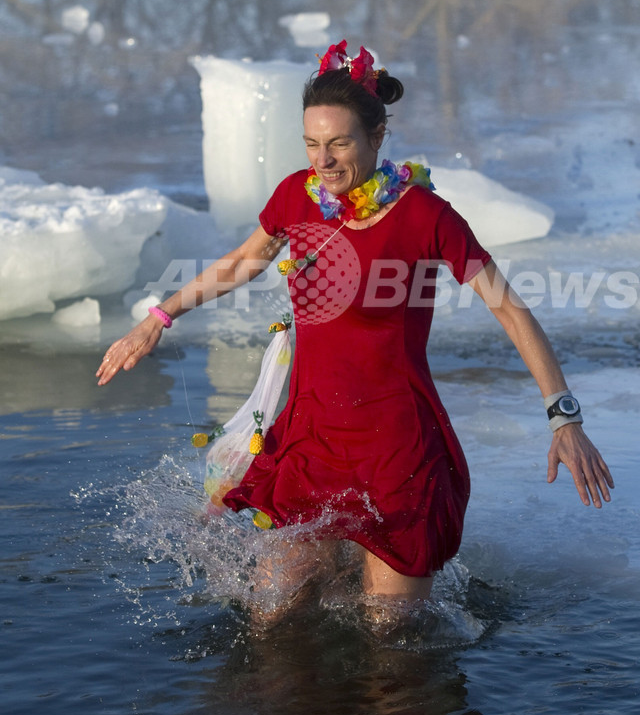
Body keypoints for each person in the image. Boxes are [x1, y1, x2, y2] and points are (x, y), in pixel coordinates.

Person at [97, 41, 613, 607]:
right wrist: (159, 317)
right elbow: (245, 261)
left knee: (390, 634)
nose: (323, 161)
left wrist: (564, 418)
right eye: (312, 144)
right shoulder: (296, 196)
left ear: (377, 136)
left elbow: (510, 308)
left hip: (396, 448)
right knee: (273, 612)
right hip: (311, 437)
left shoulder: (425, 215)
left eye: (339, 143)